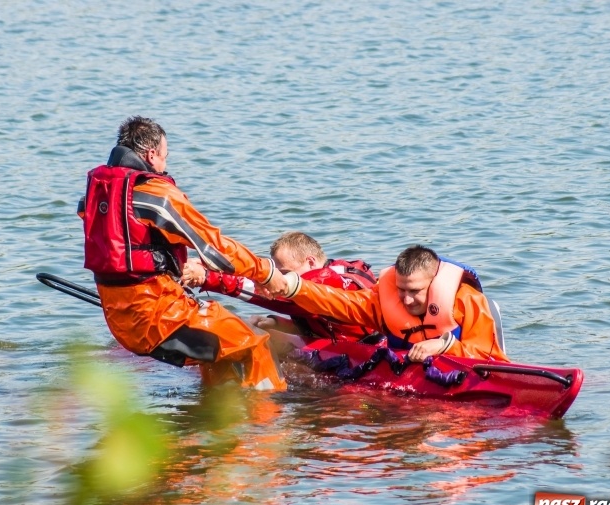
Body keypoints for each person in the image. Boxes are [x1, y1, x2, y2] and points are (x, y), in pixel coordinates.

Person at [78, 116, 288, 390]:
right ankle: (270, 424)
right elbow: (215, 248)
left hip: (121, 323)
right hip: (161, 321)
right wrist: (266, 273)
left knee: (221, 346)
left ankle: (214, 415)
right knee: (254, 344)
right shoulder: (156, 195)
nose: (165, 165)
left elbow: (126, 249)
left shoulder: (96, 196)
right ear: (151, 155)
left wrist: (167, 262)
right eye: (165, 157)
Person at [273, 245, 509, 362]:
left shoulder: (469, 301)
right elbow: (339, 302)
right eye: (401, 290)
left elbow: (490, 360)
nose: (406, 299)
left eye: (415, 291)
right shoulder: (386, 300)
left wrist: (444, 346)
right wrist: (293, 287)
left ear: (435, 283)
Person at [181, 231, 378, 342]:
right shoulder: (328, 274)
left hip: (369, 351)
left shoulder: (332, 281)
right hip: (344, 344)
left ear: (310, 261)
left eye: (284, 273)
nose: (278, 279)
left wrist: (207, 277)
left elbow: (276, 293)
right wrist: (278, 323)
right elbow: (325, 322)